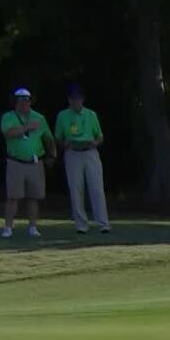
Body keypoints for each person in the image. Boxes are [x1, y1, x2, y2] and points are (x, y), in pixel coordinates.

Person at [0, 87, 56, 238]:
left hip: (35, 162)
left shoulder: (39, 118)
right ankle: (8, 228)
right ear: (15, 102)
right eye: (21, 101)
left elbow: (48, 138)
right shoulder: (9, 117)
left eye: (27, 101)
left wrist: (52, 155)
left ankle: (32, 227)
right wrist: (26, 127)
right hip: (15, 162)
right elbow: (8, 133)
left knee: (34, 197)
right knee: (13, 196)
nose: (24, 104)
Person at [54, 84, 111, 235]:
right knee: (76, 189)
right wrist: (64, 143)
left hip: (90, 152)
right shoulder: (62, 116)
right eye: (72, 98)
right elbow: (58, 137)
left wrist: (95, 143)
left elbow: (100, 136)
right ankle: (81, 225)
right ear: (69, 99)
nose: (75, 101)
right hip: (72, 153)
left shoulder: (91, 115)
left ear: (82, 99)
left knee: (97, 188)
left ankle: (103, 223)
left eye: (78, 98)